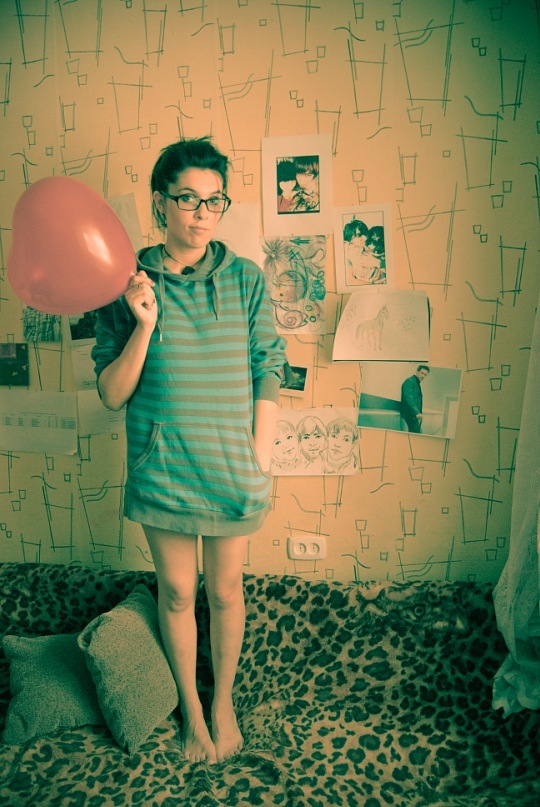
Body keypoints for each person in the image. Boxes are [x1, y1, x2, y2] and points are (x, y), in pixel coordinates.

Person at [91, 136, 286, 765]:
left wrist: (260, 456)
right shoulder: (126, 283)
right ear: (160, 202)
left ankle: (223, 704)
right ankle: (193, 713)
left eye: (214, 200)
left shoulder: (246, 278)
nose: (203, 213)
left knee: (225, 592)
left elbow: (269, 365)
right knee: (176, 593)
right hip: (164, 469)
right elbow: (112, 393)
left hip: (232, 470)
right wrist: (144, 324)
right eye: (187, 199)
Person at [400, 365, 430, 433]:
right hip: (408, 417)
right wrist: (417, 412)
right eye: (422, 373)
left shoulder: (416, 383)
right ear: (417, 372)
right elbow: (408, 397)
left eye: (425, 375)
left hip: (413, 417)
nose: (423, 376)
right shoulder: (410, 381)